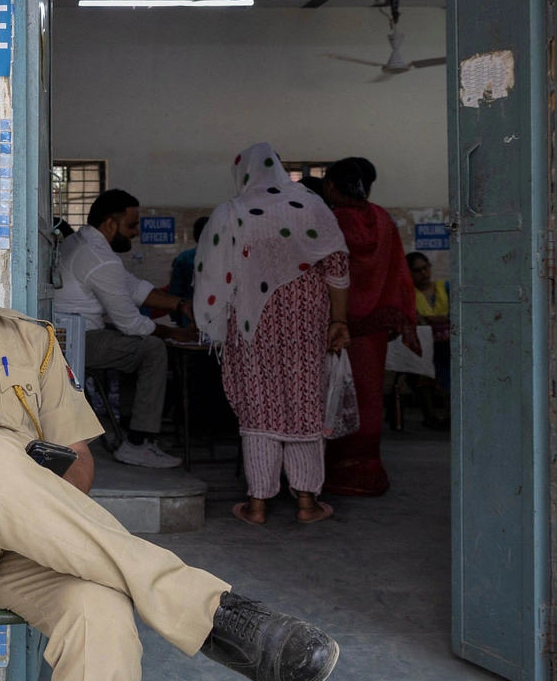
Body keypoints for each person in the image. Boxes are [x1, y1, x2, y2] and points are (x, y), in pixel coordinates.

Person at [0, 180, 339, 681]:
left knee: (101, 609)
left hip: (22, 552)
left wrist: (11, 494)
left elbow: (79, 461)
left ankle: (199, 611)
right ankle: (207, 609)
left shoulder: (34, 340)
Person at [194, 144, 351, 525]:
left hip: (253, 321)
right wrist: (338, 320)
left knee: (259, 404)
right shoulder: (311, 205)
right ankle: (306, 503)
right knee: (303, 400)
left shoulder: (231, 212)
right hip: (307, 319)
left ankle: (258, 505)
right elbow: (337, 266)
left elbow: (210, 271)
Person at [54, 189, 197, 468]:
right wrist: (175, 333)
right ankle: (139, 441)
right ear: (110, 224)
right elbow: (131, 323)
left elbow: (133, 287)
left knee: (139, 344)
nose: (135, 233)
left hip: (71, 334)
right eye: (131, 225)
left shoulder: (81, 242)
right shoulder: (99, 257)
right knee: (152, 348)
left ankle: (133, 430)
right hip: (76, 341)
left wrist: (180, 305)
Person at [319, 157, 418, 497]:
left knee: (333, 395)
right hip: (373, 329)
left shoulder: (330, 221)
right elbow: (398, 273)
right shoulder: (384, 219)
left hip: (335, 325)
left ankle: (330, 472)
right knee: (368, 398)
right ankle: (366, 471)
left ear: (331, 185)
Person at [406, 251, 451, 430]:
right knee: (422, 368)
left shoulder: (445, 288)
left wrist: (446, 319)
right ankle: (429, 414)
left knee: (449, 366)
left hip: (447, 346)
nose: (423, 273)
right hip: (421, 347)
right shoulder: (408, 295)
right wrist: (424, 320)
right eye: (417, 271)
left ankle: (450, 416)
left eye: (425, 268)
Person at [166, 216, 210, 328]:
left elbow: (175, 293)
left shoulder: (185, 258)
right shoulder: (227, 259)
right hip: (215, 318)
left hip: (189, 317)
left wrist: (175, 321)